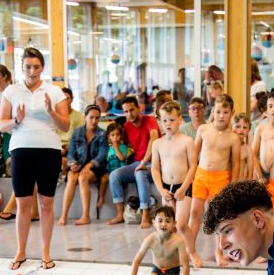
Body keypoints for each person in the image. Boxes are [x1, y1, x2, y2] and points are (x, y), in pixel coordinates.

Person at [0, 46, 69, 270]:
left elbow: (65, 125)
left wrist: (51, 111)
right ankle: (20, 252)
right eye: (28, 67)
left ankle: (46, 253)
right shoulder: (11, 91)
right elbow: (2, 125)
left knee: (46, 203)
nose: (32, 71)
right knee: (22, 204)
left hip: (49, 150)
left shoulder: (54, 92)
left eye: (36, 67)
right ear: (22, 67)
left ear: (43, 67)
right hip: (21, 150)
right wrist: (16, 121)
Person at [190, 94, 241, 267]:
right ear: (213, 111)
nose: (221, 115)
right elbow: (193, 155)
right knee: (195, 213)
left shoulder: (233, 138)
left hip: (220, 178)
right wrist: (189, 176)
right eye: (218, 111)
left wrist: (232, 187)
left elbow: (236, 163)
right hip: (201, 175)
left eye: (225, 112)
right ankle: (191, 251)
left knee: (218, 218)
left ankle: (218, 252)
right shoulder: (203, 129)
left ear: (231, 113)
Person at [151, 101, 197, 264]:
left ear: (179, 119)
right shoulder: (157, 143)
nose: (168, 124)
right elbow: (155, 169)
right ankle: (172, 255)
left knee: (182, 224)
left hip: (183, 187)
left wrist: (184, 187)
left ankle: (192, 252)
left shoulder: (187, 141)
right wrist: (161, 190)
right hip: (166, 189)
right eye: (164, 121)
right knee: (168, 226)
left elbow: (193, 166)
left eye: (171, 120)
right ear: (160, 121)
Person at [107, 95, 159, 229]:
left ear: (139, 108)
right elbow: (121, 146)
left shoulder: (149, 120)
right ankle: (120, 214)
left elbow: (154, 138)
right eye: (126, 111)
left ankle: (145, 215)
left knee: (140, 174)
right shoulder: (126, 126)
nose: (129, 114)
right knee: (114, 175)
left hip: (153, 163)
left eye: (132, 110)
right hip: (137, 163)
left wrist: (144, 161)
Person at [58, 104, 108, 226]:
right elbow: (71, 153)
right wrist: (72, 163)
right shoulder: (77, 132)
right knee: (71, 177)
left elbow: (102, 155)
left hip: (95, 167)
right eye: (91, 117)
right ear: (85, 117)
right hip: (79, 165)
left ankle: (86, 216)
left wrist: (89, 165)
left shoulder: (102, 134)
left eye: (97, 118)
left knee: (83, 177)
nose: (94, 121)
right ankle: (63, 215)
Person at [130, 205, 190, 275]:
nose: (164, 224)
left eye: (168, 221)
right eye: (160, 221)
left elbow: (186, 265)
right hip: (157, 271)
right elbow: (136, 261)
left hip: (171, 272)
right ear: (154, 223)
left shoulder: (178, 241)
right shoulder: (150, 239)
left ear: (174, 224)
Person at [252, 89, 274, 182]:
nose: (273, 109)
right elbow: (253, 154)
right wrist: (260, 176)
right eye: (270, 106)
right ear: (266, 108)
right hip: (262, 173)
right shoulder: (261, 128)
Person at [57, 87, 85, 174]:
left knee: (66, 160)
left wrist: (70, 147)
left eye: (67, 98)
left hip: (72, 147)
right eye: (62, 99)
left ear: (72, 100)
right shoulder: (54, 116)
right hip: (56, 147)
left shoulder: (79, 116)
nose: (65, 101)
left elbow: (80, 137)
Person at [232, 113, 254, 182]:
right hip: (225, 183)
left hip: (239, 184)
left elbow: (250, 173)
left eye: (244, 127)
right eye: (238, 126)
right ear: (231, 127)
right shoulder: (227, 146)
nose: (241, 130)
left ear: (249, 130)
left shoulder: (248, 149)